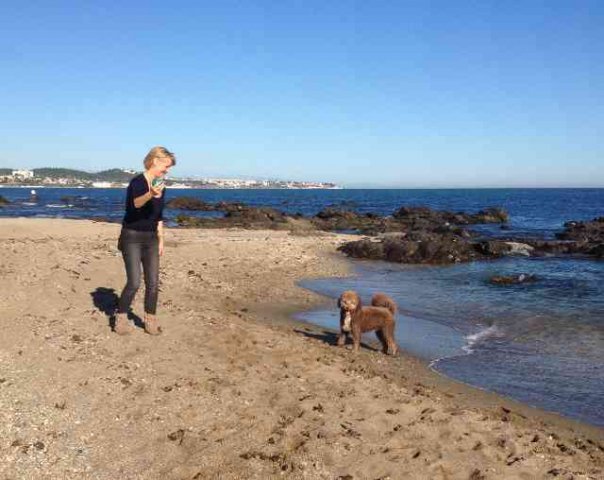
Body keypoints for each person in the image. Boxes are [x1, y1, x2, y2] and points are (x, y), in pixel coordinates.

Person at [114, 146, 175, 335]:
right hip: (131, 236)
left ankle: (150, 320)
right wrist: (151, 194)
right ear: (155, 160)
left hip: (151, 239)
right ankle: (121, 317)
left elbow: (158, 216)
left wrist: (161, 240)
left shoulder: (161, 186)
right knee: (134, 282)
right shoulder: (137, 182)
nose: (168, 170)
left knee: (154, 283)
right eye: (166, 166)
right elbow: (135, 204)